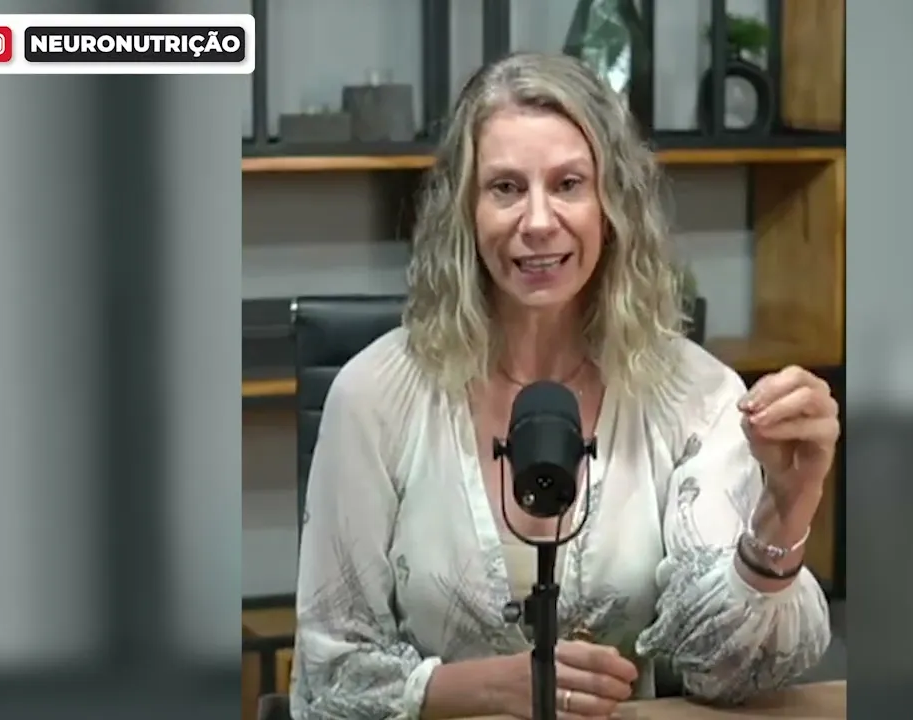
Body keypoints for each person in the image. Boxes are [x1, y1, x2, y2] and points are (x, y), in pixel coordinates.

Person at [290, 52, 838, 720]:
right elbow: (328, 679)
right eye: (506, 188)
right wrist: (495, 688)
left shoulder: (695, 396)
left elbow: (724, 672)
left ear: (611, 207)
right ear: (466, 212)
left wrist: (786, 507)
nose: (539, 221)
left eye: (569, 184)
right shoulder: (372, 397)